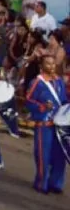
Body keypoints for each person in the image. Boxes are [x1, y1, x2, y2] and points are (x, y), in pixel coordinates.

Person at [25, 55, 67, 194]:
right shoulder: (37, 82)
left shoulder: (59, 81)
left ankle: (56, 183)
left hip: (59, 124)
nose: (52, 66)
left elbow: (63, 100)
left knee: (60, 154)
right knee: (43, 154)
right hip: (44, 124)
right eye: (48, 64)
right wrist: (42, 106)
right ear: (42, 66)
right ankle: (41, 182)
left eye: (53, 63)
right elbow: (29, 101)